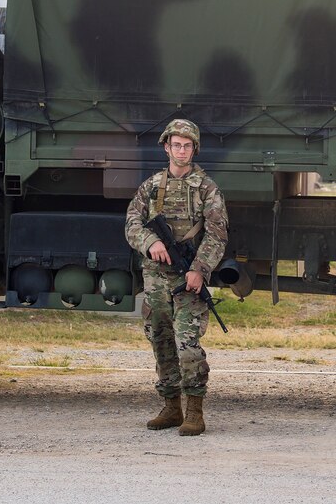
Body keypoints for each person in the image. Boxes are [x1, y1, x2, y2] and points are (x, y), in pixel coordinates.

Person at [125, 119, 228, 436]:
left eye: (187, 145)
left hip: (188, 280)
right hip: (156, 280)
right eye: (176, 145)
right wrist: (151, 242)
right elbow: (132, 223)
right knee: (162, 344)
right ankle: (171, 408)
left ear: (193, 149)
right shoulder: (151, 186)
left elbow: (217, 236)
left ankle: (194, 412)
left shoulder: (207, 190)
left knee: (187, 346)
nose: (181, 150)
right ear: (167, 147)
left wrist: (199, 270)